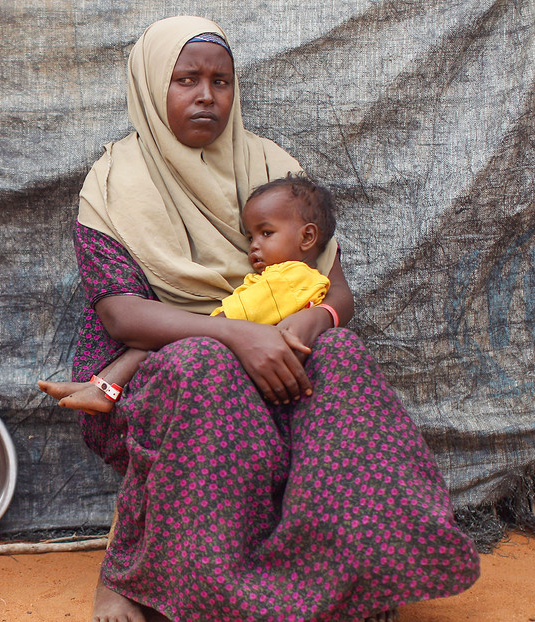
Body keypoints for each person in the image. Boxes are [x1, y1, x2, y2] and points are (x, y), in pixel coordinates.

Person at [51, 16, 479, 622]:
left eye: (220, 81)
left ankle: (342, 571)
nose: (206, 95)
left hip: (277, 344)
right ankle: (181, 583)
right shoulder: (115, 181)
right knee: (203, 368)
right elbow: (120, 315)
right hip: (155, 365)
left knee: (342, 354)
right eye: (186, 80)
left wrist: (314, 321)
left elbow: (333, 285)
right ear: (150, 87)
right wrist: (237, 335)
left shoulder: (273, 166)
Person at [41, 173, 335, 415]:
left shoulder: (291, 278)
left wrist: (208, 324)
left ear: (307, 237)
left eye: (266, 234)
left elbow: (244, 315)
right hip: (247, 350)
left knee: (154, 344)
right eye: (250, 237)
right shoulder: (288, 277)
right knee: (153, 343)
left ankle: (102, 390)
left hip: (248, 358)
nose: (254, 246)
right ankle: (99, 387)